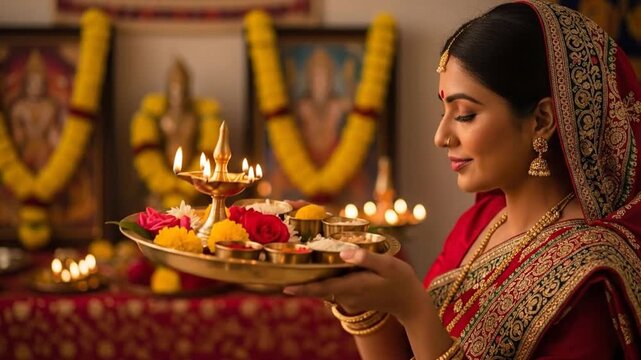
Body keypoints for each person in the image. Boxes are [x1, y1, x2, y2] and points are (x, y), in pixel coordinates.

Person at [283, 1, 641, 358]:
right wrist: (358, 297)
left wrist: (413, 307)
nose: (441, 136)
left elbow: (421, 325)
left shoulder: (591, 276)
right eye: (444, 112)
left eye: (465, 114)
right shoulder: (480, 225)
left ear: (542, 119)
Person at [10, 49, 61, 172]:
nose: (36, 87)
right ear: (26, 84)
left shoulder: (49, 107)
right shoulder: (18, 107)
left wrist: (62, 149)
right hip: (25, 150)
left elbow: (52, 132)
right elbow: (17, 135)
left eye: (39, 83)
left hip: (45, 151)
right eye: (33, 83)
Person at [159, 59, 198, 166]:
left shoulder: (192, 118)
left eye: (181, 85)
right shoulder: (162, 116)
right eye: (174, 84)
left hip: (191, 168)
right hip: (163, 171)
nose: (177, 91)